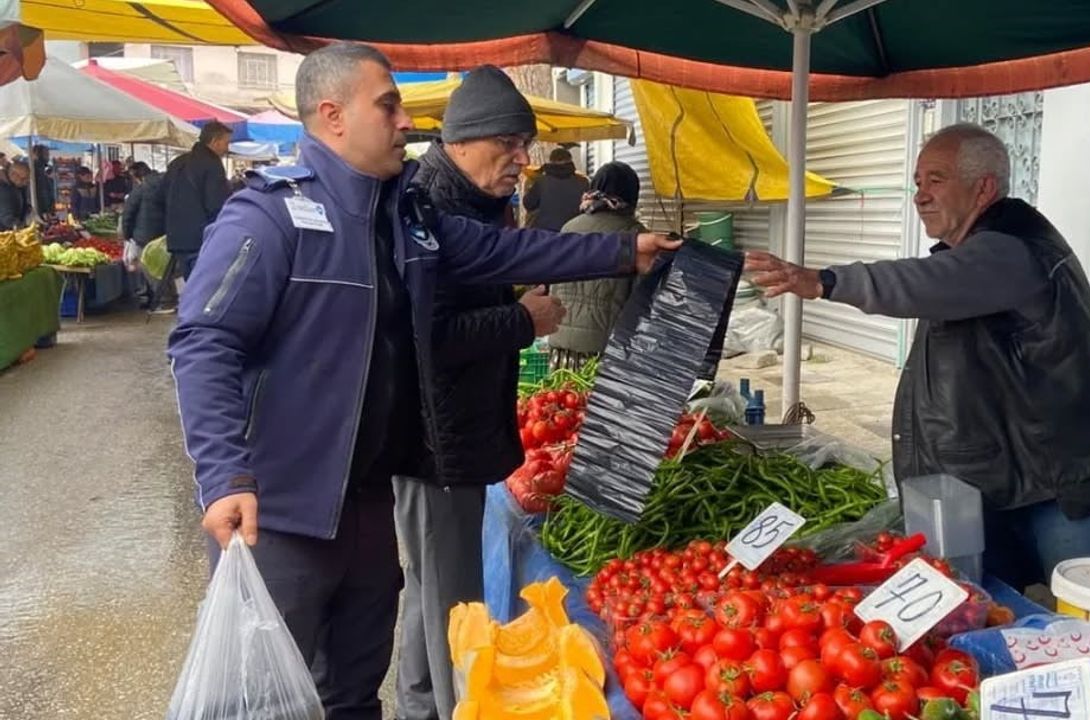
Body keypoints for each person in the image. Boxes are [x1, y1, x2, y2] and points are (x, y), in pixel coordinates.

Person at [168, 42, 677, 720]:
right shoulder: (269, 217)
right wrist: (225, 474)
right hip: (282, 513)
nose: (407, 121)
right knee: (264, 703)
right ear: (333, 115)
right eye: (389, 104)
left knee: (354, 692)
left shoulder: (407, 219)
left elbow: (505, 249)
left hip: (370, 504)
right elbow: (202, 341)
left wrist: (620, 250)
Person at [745, 123, 1090, 590]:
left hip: (1067, 485)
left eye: (936, 180)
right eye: (916, 182)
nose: (920, 196)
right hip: (1012, 482)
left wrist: (824, 281)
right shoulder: (976, 253)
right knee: (1005, 613)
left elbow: (924, 282)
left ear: (984, 188)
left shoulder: (1013, 248)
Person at [390, 64, 568, 720]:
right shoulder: (430, 208)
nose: (522, 160)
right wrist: (526, 319)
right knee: (455, 606)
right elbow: (428, 334)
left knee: (428, 594)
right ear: (462, 140)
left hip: (450, 436)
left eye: (526, 146)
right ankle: (450, 709)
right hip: (438, 443)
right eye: (511, 145)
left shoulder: (469, 200)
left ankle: (417, 708)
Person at [547, 161, 646, 372]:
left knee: (562, 402)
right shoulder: (636, 236)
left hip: (560, 347)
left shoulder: (568, 228)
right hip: (604, 353)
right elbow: (641, 301)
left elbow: (553, 288)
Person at [162, 121, 233, 279]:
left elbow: (163, 194)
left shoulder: (177, 163)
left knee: (190, 285)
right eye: (226, 143)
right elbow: (216, 205)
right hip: (201, 238)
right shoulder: (212, 165)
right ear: (215, 141)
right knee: (203, 287)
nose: (227, 148)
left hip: (177, 237)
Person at [121, 162, 165, 307]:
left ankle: (148, 298)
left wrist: (126, 235)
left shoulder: (140, 189)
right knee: (160, 267)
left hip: (143, 236)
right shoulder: (165, 184)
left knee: (143, 268)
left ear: (136, 176)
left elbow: (128, 214)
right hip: (162, 235)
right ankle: (163, 298)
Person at [522, 147, 589, 230]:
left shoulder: (541, 181)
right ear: (571, 161)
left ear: (550, 161)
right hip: (573, 234)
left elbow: (528, 204)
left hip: (546, 235)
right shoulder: (583, 182)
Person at [0, 160, 33, 230]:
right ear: (13, 175)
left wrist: (28, 208)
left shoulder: (17, 186)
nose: (26, 182)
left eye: (27, 179)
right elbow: (7, 218)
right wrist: (21, 227)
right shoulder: (3, 189)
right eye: (23, 179)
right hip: (5, 234)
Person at [31, 144, 56, 218]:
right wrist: (48, 210)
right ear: (37, 154)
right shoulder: (35, 169)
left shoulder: (43, 168)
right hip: (41, 209)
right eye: (46, 154)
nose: (48, 157)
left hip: (44, 209)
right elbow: (42, 192)